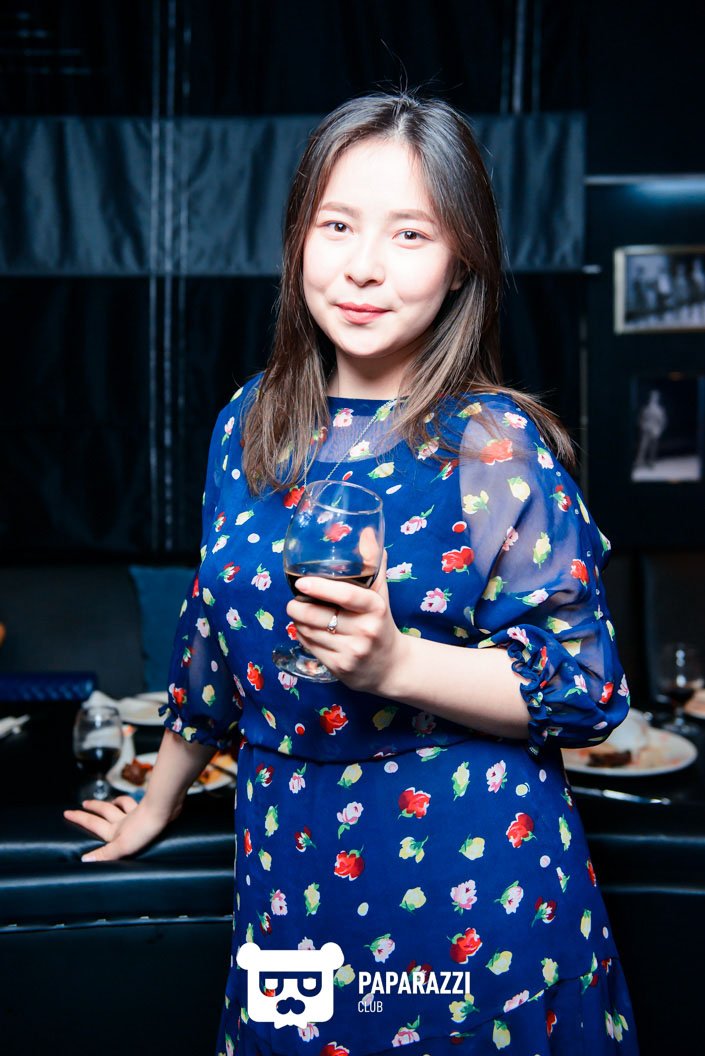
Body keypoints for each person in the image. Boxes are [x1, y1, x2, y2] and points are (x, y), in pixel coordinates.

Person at [64, 92, 638, 1054]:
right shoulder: (249, 419)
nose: (363, 265)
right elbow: (210, 643)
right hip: (287, 871)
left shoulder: (491, 444)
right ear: (298, 238)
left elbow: (587, 690)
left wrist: (393, 664)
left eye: (410, 233)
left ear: (460, 263)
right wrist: (156, 801)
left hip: (469, 887)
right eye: (337, 224)